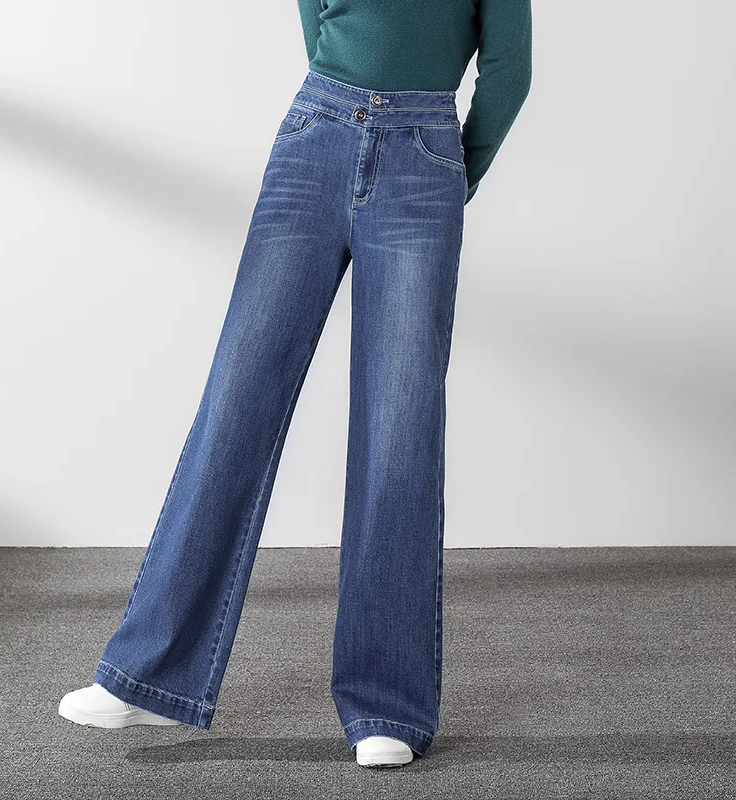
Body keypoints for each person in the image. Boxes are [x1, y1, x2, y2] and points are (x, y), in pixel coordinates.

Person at [58, 0, 532, 768]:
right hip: (318, 129)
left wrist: (449, 172)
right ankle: (150, 674)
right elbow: (317, 19)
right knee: (237, 397)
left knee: (399, 425)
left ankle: (387, 703)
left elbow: (510, 68)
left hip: (423, 154)